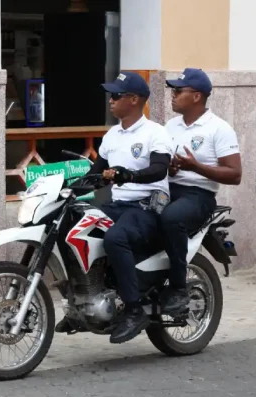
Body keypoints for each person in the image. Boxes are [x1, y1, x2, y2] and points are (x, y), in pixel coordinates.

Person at [55, 71, 173, 344]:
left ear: (133, 100)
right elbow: (97, 175)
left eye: (115, 95)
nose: (110, 100)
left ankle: (134, 309)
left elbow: (159, 169)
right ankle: (79, 302)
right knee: (68, 225)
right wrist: (67, 187)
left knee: (115, 238)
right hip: (118, 205)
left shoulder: (155, 133)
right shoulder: (112, 135)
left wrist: (127, 175)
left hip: (146, 207)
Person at [159, 68, 242, 316]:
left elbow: (235, 174)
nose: (172, 96)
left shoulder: (218, 128)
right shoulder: (170, 126)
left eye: (178, 91)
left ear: (196, 96)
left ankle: (178, 290)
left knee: (171, 218)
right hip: (168, 188)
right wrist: (171, 167)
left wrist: (196, 167)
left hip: (198, 195)